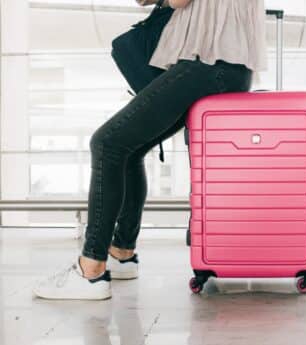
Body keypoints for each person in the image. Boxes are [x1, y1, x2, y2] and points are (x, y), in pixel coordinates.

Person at [33, 0, 267, 300]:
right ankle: (121, 253)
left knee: (106, 143)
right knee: (130, 148)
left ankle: (90, 269)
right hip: (229, 67)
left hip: (207, 64)